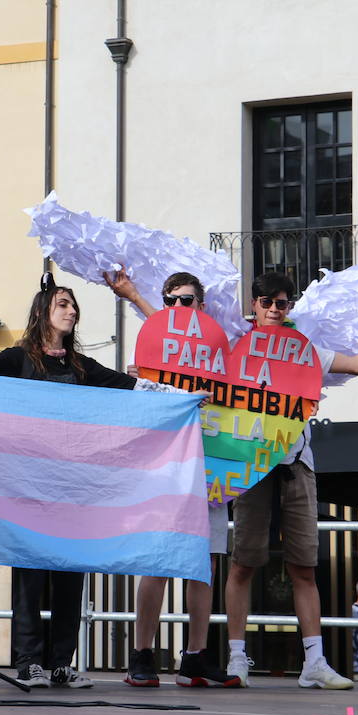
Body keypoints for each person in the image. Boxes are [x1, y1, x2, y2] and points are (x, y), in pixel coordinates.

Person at [224, 271, 358, 691]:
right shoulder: (235, 346)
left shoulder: (302, 350)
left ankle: (314, 661)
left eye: (282, 303)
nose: (274, 309)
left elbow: (354, 365)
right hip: (248, 460)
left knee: (304, 565)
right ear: (254, 305)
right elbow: (187, 353)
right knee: (244, 562)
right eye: (267, 302)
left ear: (288, 308)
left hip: (295, 460)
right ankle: (235, 658)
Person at [0, 275, 135, 689]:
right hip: (29, 489)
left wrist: (177, 391)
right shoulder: (15, 361)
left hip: (74, 488)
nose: (72, 312)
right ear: (42, 312)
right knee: (30, 578)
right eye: (63, 305)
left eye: (74, 306)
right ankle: (28, 661)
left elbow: (132, 388)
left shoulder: (82, 368)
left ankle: (60, 662)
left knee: (71, 575)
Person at [104, 269, 238, 688]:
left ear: (201, 306)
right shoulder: (153, 348)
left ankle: (194, 657)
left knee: (205, 564)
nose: (179, 308)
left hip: (209, 464)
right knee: (157, 560)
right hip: (164, 468)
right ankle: (142, 654)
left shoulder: (219, 350)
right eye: (171, 301)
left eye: (187, 300)